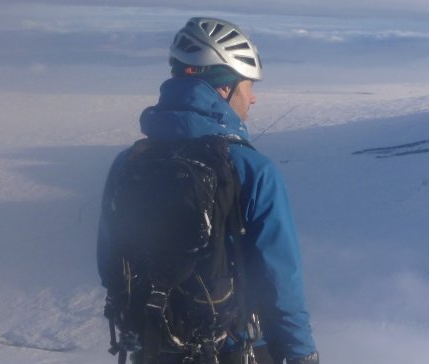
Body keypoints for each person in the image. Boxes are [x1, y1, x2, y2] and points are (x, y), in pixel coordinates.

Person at [97, 17, 319, 364]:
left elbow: (110, 260)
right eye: (247, 85)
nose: (253, 98)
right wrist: (301, 353)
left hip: (151, 347)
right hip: (229, 350)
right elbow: (279, 281)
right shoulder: (252, 169)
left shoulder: (129, 161)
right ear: (224, 88)